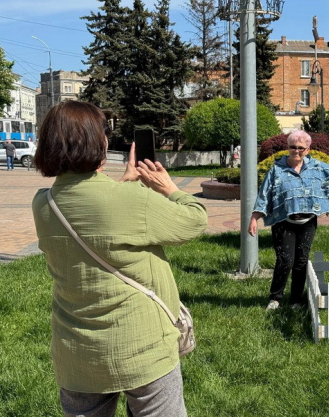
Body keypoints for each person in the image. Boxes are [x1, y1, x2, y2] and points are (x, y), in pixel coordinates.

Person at [31, 101, 208, 417]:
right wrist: (169, 188)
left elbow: (92, 212)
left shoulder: (42, 204)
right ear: (99, 142)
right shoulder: (132, 201)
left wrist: (124, 184)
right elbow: (194, 221)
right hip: (143, 348)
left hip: (76, 352)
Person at [248, 130, 329, 311]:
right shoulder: (276, 170)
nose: (296, 151)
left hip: (307, 222)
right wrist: (255, 218)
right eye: (293, 147)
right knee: (285, 260)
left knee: (301, 261)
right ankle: (275, 298)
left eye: (301, 148)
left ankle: (295, 300)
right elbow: (264, 195)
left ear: (307, 150)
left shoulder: (317, 167)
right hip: (283, 222)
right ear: (288, 148)